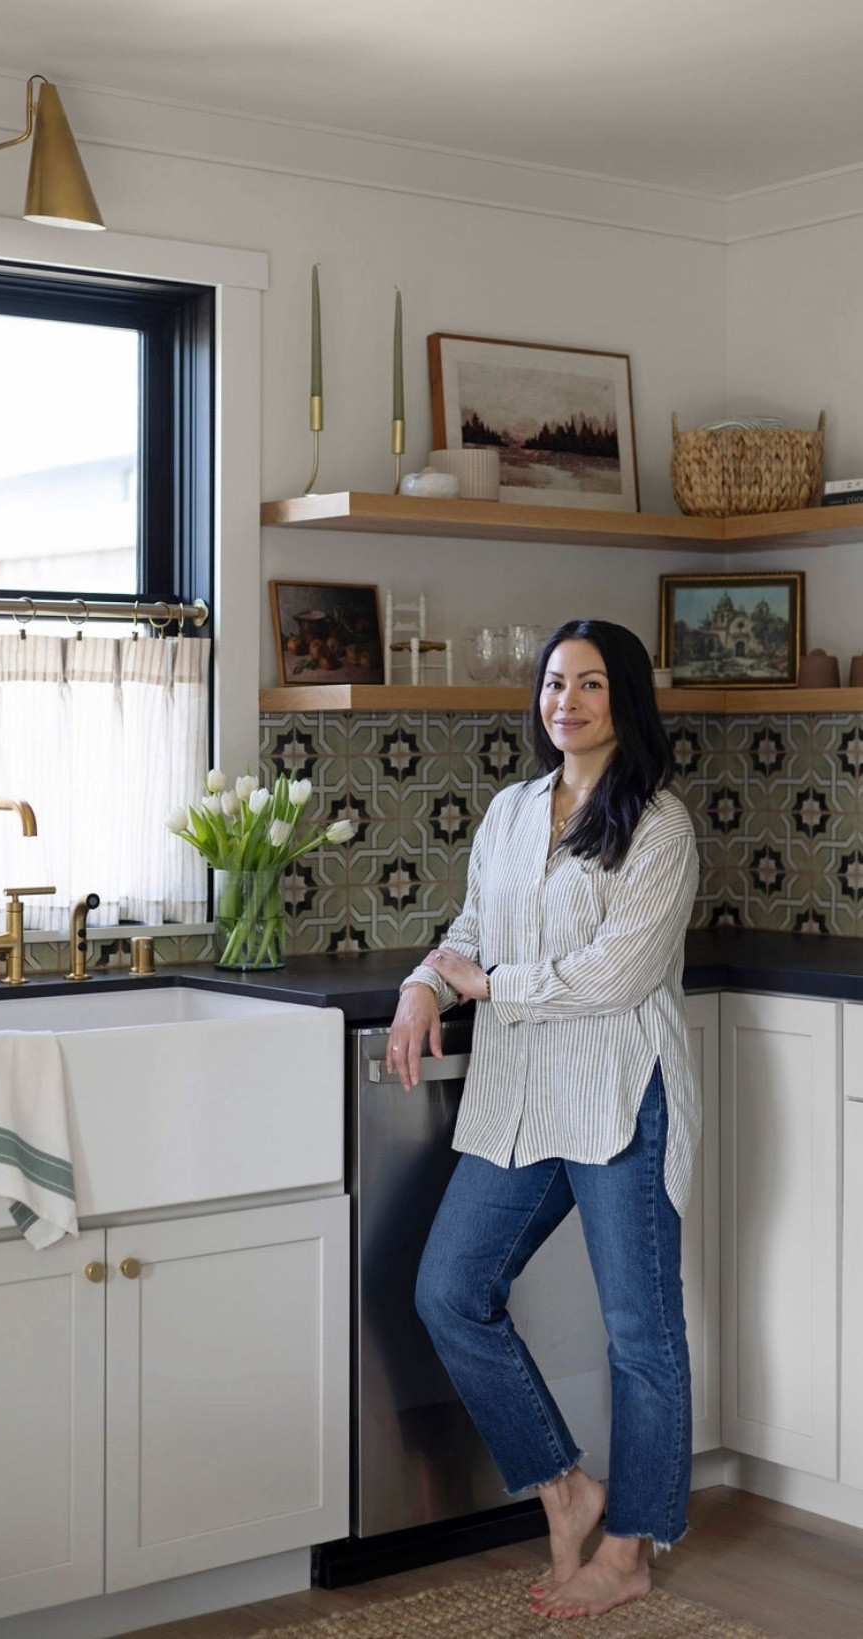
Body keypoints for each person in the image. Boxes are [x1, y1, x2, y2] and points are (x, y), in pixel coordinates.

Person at [386, 618, 700, 1620]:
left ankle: (632, 1546)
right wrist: (422, 984)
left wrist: (491, 983)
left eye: (592, 684)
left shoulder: (658, 826)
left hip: (617, 1095)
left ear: (626, 700)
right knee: (448, 1290)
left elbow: (617, 973)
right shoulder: (513, 810)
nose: (567, 700)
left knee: (639, 1332)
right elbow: (469, 932)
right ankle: (569, 1488)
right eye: (555, 682)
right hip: (520, 1099)